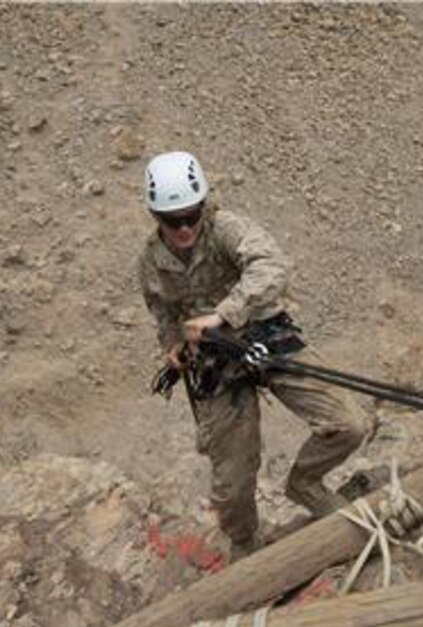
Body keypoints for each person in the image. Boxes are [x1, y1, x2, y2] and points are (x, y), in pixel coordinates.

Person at [137, 150, 369, 559]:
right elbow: (163, 311)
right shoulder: (152, 263)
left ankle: (306, 483)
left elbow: (271, 267)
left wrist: (222, 314)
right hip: (214, 364)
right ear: (157, 217)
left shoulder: (226, 229)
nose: (186, 227)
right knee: (232, 483)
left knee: (347, 423)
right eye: (174, 221)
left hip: (264, 335)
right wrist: (172, 345)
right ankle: (247, 548)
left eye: (192, 215)